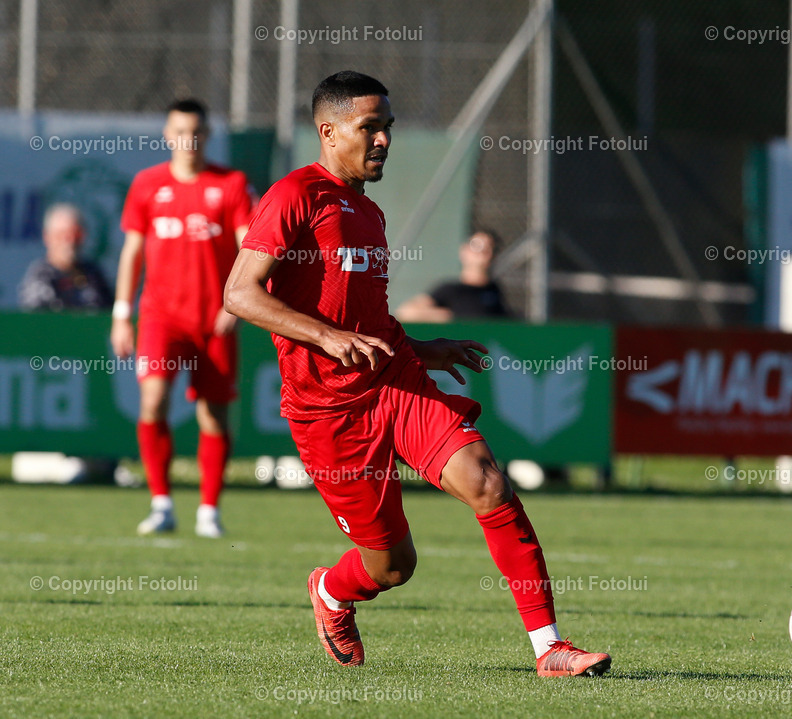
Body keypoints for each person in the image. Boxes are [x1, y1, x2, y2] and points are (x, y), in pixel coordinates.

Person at [223, 71, 611, 676]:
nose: (383, 140)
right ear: (328, 132)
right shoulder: (294, 195)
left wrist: (424, 349)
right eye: (369, 128)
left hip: (395, 381)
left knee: (488, 482)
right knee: (392, 566)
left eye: (388, 128)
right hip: (329, 411)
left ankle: (550, 648)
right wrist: (326, 336)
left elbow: (368, 319)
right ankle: (331, 591)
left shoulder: (369, 213)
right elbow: (240, 294)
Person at [111, 99, 253, 538]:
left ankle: (209, 510)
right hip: (161, 317)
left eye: (196, 131)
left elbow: (250, 247)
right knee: (152, 402)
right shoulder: (147, 184)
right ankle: (161, 504)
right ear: (167, 135)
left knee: (213, 415)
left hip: (214, 319)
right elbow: (132, 252)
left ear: (206, 136)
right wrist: (121, 314)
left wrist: (237, 302)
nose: (188, 140)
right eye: (180, 131)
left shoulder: (231, 184)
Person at [395, 229, 509, 322]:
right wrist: (450, 316)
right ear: (464, 251)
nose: (481, 251)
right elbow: (405, 312)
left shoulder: (495, 290)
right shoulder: (450, 290)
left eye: (488, 247)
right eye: (476, 245)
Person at [19, 203, 113, 311]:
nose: (69, 241)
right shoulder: (40, 276)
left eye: (75, 234)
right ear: (47, 237)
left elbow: (109, 310)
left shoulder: (93, 273)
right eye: (61, 234)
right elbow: (37, 317)